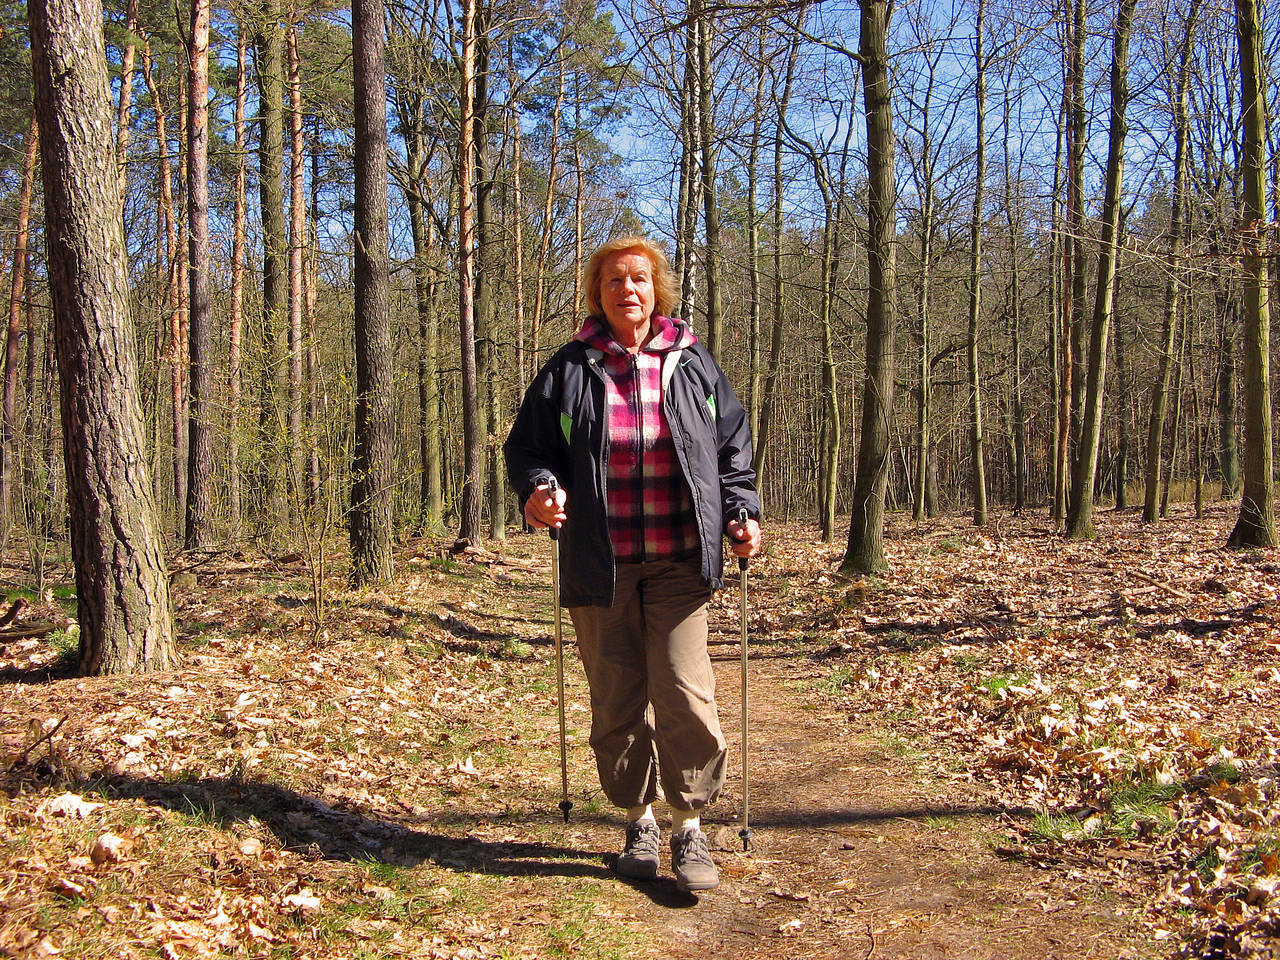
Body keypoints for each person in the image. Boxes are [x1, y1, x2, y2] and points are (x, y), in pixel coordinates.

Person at [503, 235, 762, 892]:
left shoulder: (694, 364)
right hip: (601, 560)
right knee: (617, 696)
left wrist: (743, 510)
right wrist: (538, 492)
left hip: (680, 558)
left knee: (684, 692)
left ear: (657, 289)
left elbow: (731, 447)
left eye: (639, 279)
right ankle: (639, 820)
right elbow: (528, 449)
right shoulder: (568, 370)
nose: (628, 290)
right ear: (599, 293)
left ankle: (690, 828)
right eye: (615, 280)